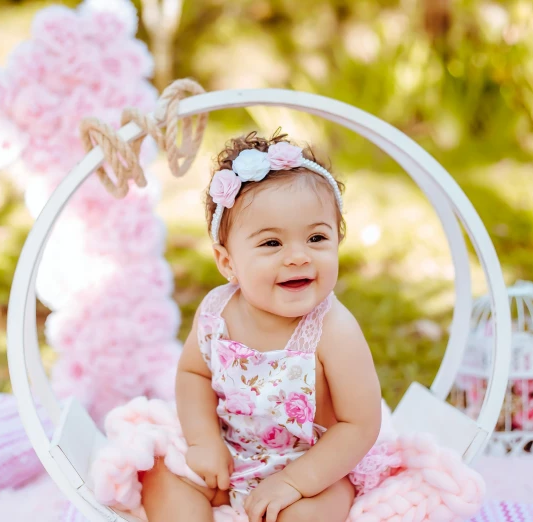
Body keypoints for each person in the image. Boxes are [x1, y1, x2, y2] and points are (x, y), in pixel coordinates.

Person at [140, 130, 383, 522]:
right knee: (159, 479)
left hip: (312, 467)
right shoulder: (217, 311)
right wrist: (204, 442)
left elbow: (360, 424)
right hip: (230, 453)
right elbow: (193, 374)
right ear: (227, 262)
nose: (298, 257)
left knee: (312, 513)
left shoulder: (334, 329)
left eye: (317, 237)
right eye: (272, 244)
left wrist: (294, 483)